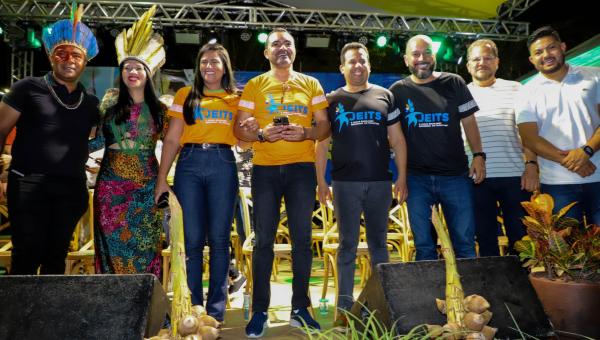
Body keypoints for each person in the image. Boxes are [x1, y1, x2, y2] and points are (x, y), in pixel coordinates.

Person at [233, 27, 329, 337]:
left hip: (301, 170)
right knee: (264, 242)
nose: (282, 48)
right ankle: (259, 310)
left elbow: (325, 126)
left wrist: (307, 133)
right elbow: (239, 131)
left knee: (303, 241)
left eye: (287, 43)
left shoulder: (311, 84)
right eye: (275, 44)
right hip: (266, 171)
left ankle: (300, 309)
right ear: (266, 52)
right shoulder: (254, 86)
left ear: (295, 50)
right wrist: (258, 133)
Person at [0, 9, 100, 274]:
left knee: (56, 257)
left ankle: (49, 315)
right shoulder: (27, 88)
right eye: (61, 53)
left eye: (76, 55)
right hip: (27, 185)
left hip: (70, 189)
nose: (69, 60)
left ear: (85, 61)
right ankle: (18, 316)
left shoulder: (90, 103)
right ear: (50, 56)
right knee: (26, 254)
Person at [315, 42, 408, 322]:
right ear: (342, 68)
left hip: (381, 183)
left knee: (380, 245)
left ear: (369, 65)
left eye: (363, 61)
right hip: (344, 184)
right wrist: (321, 180)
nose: (358, 65)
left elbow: (398, 139)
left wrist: (402, 175)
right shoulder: (330, 101)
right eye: (352, 61)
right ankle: (343, 310)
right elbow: (321, 144)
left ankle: (380, 306)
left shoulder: (385, 96)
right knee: (347, 246)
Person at [155, 43, 245, 323]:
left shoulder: (236, 99)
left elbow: (243, 140)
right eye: (204, 62)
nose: (209, 67)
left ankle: (216, 311)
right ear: (198, 67)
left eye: (215, 62)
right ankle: (192, 307)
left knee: (219, 241)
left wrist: (254, 131)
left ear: (225, 67)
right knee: (191, 241)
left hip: (223, 162)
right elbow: (171, 139)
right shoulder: (185, 94)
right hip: (189, 165)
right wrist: (161, 180)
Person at [389, 34, 485, 261]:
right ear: (406, 60)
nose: (421, 58)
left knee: (464, 244)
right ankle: (429, 297)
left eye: (426, 53)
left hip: (455, 177)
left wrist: (479, 155)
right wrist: (400, 175)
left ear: (434, 55)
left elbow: (469, 121)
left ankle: (467, 296)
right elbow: (393, 136)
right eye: (415, 54)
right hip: (416, 179)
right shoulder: (397, 91)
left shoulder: (454, 82)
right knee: (424, 247)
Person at [90, 6, 166, 275]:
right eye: (126, 68)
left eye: (138, 67)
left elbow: (175, 144)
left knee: (146, 245)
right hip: (111, 185)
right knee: (112, 246)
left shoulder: (160, 108)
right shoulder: (110, 100)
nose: (131, 71)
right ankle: (114, 310)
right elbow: (96, 140)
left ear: (148, 72)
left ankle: (145, 307)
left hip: (146, 187)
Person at [516, 26, 600, 223]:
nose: (546, 55)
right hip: (557, 183)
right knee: (567, 250)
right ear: (531, 59)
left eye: (551, 48)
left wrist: (586, 151)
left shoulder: (594, 75)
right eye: (538, 52)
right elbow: (530, 137)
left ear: (562, 47)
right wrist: (573, 162)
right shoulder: (526, 92)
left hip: (598, 176)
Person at [464, 39, 539, 256]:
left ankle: (523, 286)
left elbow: (528, 133)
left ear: (497, 62)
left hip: (516, 176)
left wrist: (532, 164)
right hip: (475, 177)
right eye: (476, 59)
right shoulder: (460, 94)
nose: (482, 63)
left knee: (521, 239)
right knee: (485, 238)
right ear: (468, 65)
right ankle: (491, 288)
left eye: (488, 58)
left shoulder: (516, 89)